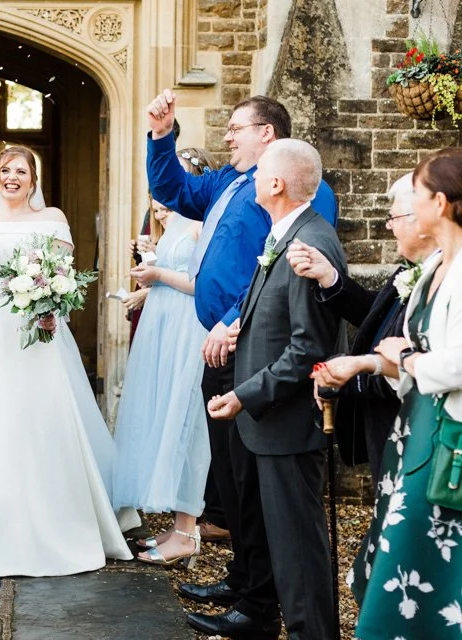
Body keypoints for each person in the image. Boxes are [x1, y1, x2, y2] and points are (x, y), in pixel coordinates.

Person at [145, 89, 337, 622]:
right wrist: (162, 135)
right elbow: (172, 188)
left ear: (267, 134)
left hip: (250, 349)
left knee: (251, 480)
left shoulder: (304, 194)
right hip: (219, 346)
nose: (227, 136)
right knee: (230, 477)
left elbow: (276, 276)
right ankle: (243, 580)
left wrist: (232, 322)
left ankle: (258, 601)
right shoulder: (229, 182)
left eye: (237, 128)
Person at [0, 145, 135, 577]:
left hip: (38, 331)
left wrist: (55, 309)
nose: (13, 177)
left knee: (39, 419)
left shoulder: (52, 220)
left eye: (21, 171)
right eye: (5, 170)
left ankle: (54, 520)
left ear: (34, 179)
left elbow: (65, 280)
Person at [192, 140, 344, 639]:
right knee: (281, 546)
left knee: (300, 551)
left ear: (276, 183)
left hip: (286, 422)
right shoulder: (285, 235)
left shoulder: (309, 243)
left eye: (260, 173)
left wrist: (244, 395)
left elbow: (307, 350)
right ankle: (264, 621)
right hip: (267, 423)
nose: (252, 179)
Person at [348, 149, 462, 640]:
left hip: (448, 438)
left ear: (440, 202)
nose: (407, 207)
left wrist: (409, 357)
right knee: (395, 552)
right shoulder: (434, 263)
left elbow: (456, 362)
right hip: (412, 434)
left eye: (415, 195)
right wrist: (379, 362)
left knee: (425, 560)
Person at [292, 173, 438, 484]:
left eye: (394, 217)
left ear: (421, 219)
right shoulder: (410, 270)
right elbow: (376, 316)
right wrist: (329, 277)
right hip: (385, 426)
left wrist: (353, 374)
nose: (388, 226)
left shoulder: (444, 279)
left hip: (414, 428)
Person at [113, 147, 217, 568]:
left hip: (189, 329)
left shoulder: (201, 223)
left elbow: (203, 284)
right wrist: (150, 268)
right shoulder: (174, 222)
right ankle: (177, 527)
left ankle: (189, 532)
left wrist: (156, 273)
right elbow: (169, 278)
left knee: (188, 426)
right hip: (163, 328)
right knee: (165, 420)